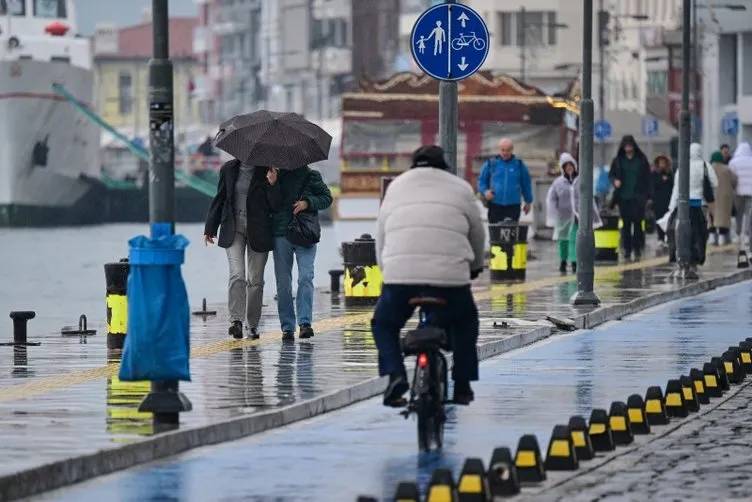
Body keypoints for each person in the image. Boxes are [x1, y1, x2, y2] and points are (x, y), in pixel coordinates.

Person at [373, 145, 484, 407]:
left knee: (384, 324)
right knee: (466, 321)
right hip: (450, 279)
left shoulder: (396, 187)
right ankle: (463, 384)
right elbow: (477, 233)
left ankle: (395, 375)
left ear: (413, 164)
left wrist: (386, 269)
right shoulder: (461, 187)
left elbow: (381, 234)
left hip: (401, 277)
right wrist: (476, 265)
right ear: (443, 164)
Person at [204, 161, 281, 339]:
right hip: (233, 228)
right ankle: (236, 321)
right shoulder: (228, 169)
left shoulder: (268, 170)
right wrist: (210, 228)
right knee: (237, 274)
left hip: (259, 231)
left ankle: (252, 325)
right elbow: (220, 197)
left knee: (255, 280)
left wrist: (273, 184)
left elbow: (276, 205)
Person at [270, 165, 333, 341]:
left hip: (305, 233)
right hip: (281, 234)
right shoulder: (275, 175)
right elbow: (271, 205)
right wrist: (273, 184)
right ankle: (287, 327)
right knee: (283, 283)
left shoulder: (312, 175)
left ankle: (305, 323)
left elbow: (327, 198)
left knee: (305, 277)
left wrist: (308, 203)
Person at [666, 143, 718, 266]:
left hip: (684, 204)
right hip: (701, 204)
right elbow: (715, 183)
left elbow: (676, 188)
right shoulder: (705, 165)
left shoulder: (682, 166)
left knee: (685, 230)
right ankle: (697, 255)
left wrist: (671, 206)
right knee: (699, 230)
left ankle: (684, 255)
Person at [609, 135, 652, 260]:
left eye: (630, 145)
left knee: (638, 224)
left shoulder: (641, 160)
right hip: (623, 197)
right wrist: (615, 181)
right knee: (626, 225)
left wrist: (648, 196)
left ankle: (637, 249)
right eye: (626, 145)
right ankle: (627, 249)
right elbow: (611, 175)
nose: (628, 148)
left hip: (638, 197)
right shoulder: (618, 160)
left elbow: (648, 178)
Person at [477, 137, 533, 223]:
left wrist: (528, 202)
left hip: (513, 206)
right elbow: (481, 181)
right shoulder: (491, 164)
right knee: (495, 234)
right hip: (495, 205)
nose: (505, 153)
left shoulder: (519, 165)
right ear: (499, 150)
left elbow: (526, 184)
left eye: (508, 150)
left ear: (512, 150)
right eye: (503, 150)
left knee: (511, 234)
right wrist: (485, 191)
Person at [546, 153, 578, 273]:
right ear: (563, 168)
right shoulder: (558, 183)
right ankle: (563, 261)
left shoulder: (579, 181)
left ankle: (574, 262)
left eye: (571, 165)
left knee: (574, 240)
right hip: (562, 217)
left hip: (576, 217)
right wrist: (553, 215)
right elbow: (551, 199)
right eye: (566, 166)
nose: (569, 168)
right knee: (563, 240)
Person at [709, 150, 737, 245]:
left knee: (711, 217)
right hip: (724, 197)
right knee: (723, 217)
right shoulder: (727, 169)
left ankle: (712, 237)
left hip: (711, 196)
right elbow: (734, 181)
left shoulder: (709, 169)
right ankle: (722, 238)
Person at [730, 142, 752, 247]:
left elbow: (731, 178)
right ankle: (747, 234)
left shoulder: (733, 162)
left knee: (739, 214)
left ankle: (738, 234)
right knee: (749, 214)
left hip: (738, 192)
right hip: (750, 192)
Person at [651, 154, 674, 244]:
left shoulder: (670, 173)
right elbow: (652, 185)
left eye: (663, 163)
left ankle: (667, 236)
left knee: (668, 219)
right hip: (658, 201)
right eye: (660, 163)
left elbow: (672, 186)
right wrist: (661, 180)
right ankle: (660, 237)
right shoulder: (654, 174)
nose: (662, 165)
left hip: (668, 200)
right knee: (659, 219)